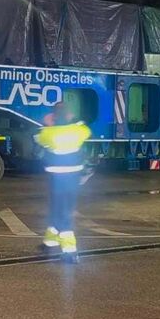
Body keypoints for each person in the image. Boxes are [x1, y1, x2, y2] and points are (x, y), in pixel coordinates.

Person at [34, 100, 92, 263]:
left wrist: (46, 123)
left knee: (60, 211)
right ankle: (49, 243)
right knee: (61, 210)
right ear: (68, 114)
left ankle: (70, 252)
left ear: (54, 116)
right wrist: (74, 119)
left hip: (56, 178)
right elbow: (86, 130)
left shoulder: (48, 133)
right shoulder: (77, 130)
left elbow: (37, 138)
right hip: (74, 177)